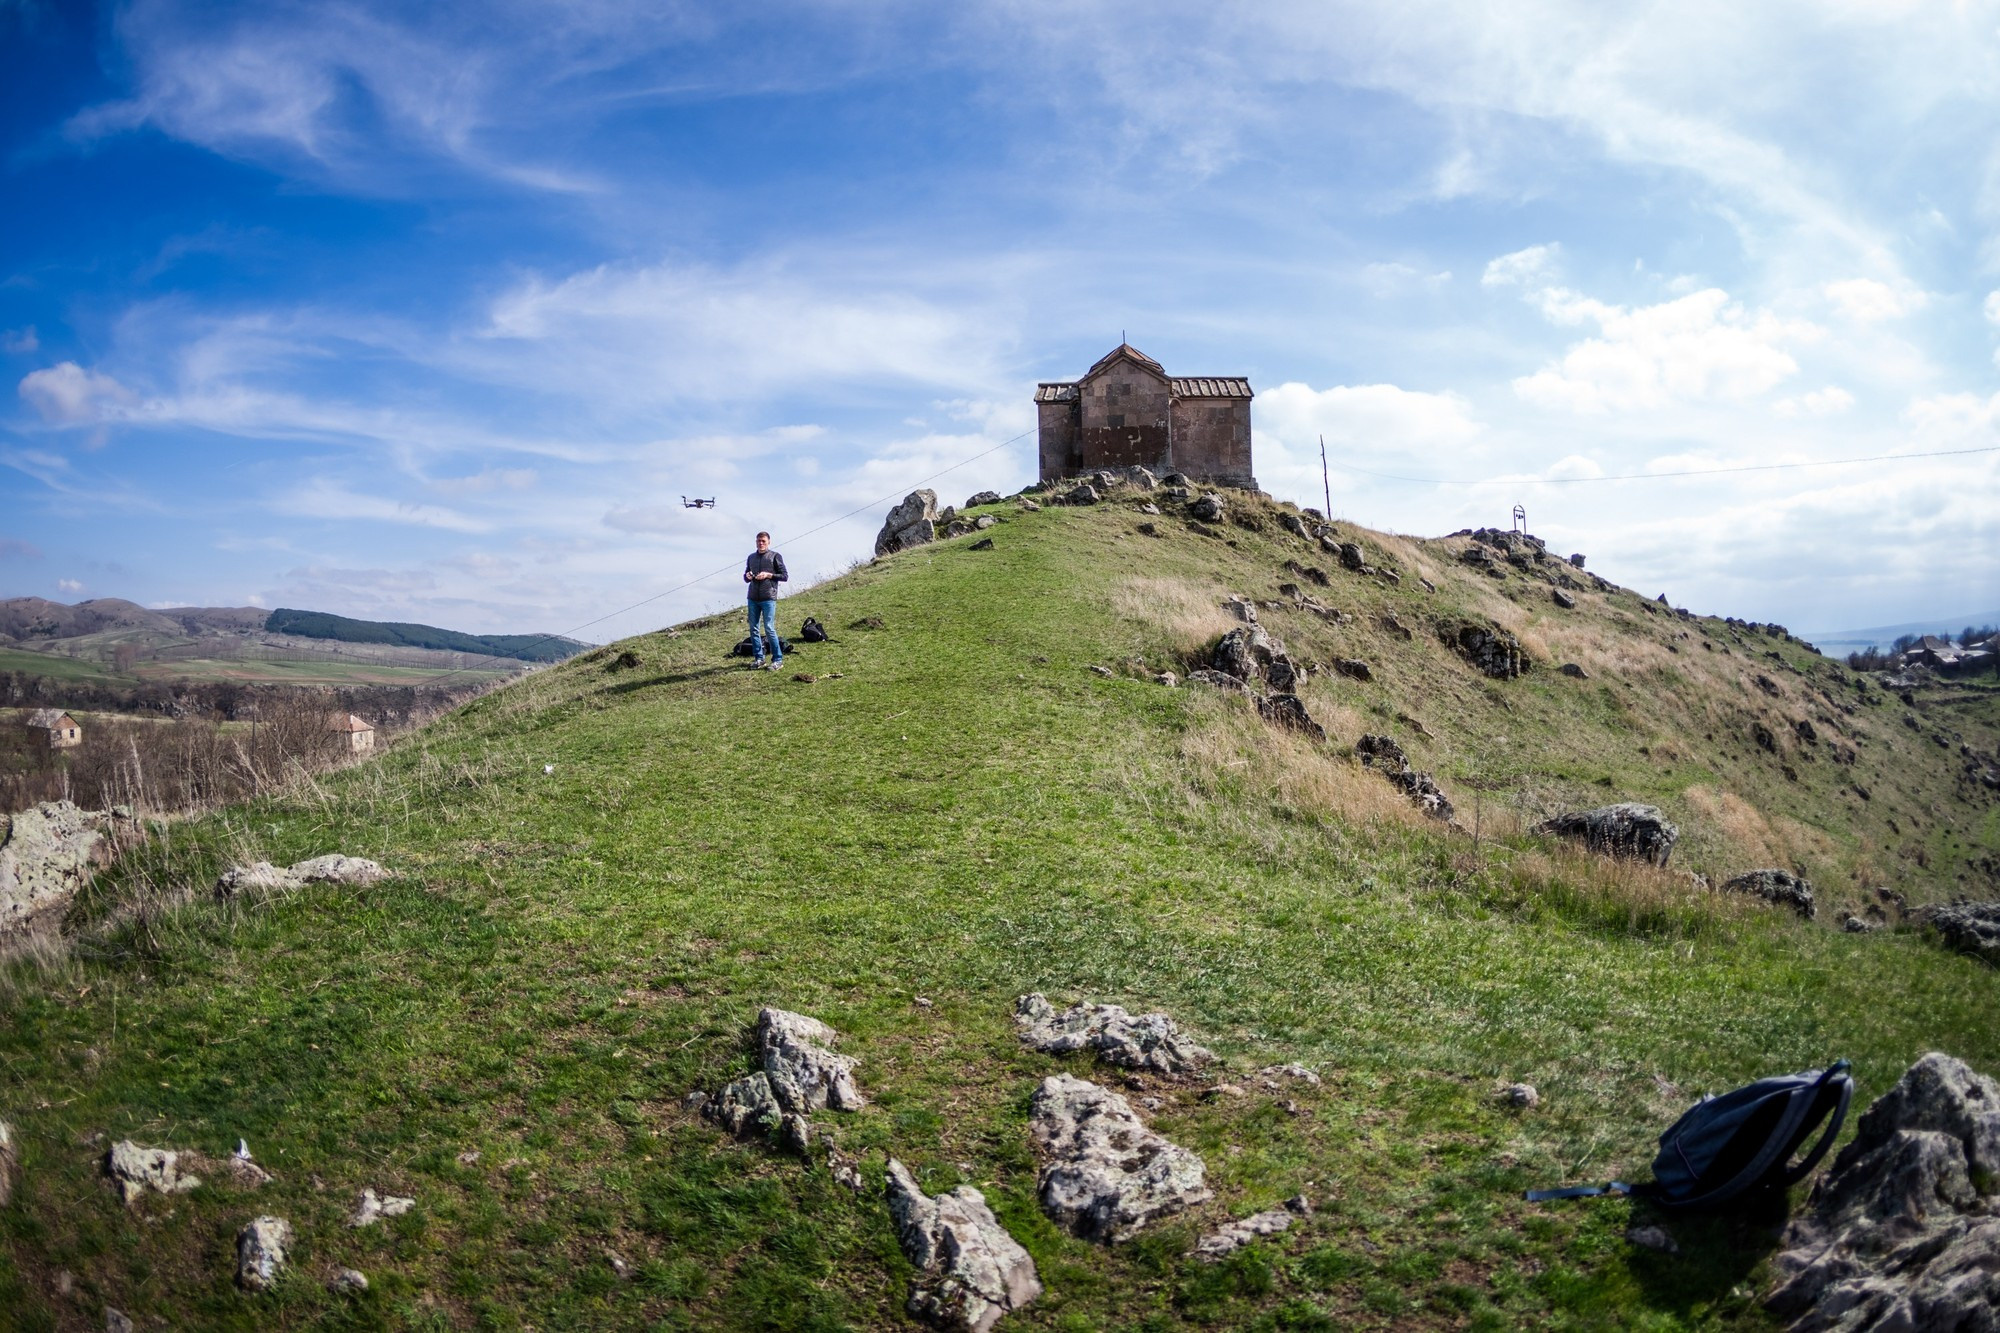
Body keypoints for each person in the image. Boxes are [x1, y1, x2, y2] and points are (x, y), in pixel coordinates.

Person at [743, 531, 788, 669]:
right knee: (753, 629)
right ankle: (759, 659)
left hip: (768, 597)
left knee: (769, 628)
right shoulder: (751, 557)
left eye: (763, 541)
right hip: (752, 598)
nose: (760, 543)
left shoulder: (775, 556)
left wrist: (769, 575)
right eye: (758, 541)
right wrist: (748, 576)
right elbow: (745, 578)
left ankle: (778, 660)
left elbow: (784, 576)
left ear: (769, 542)